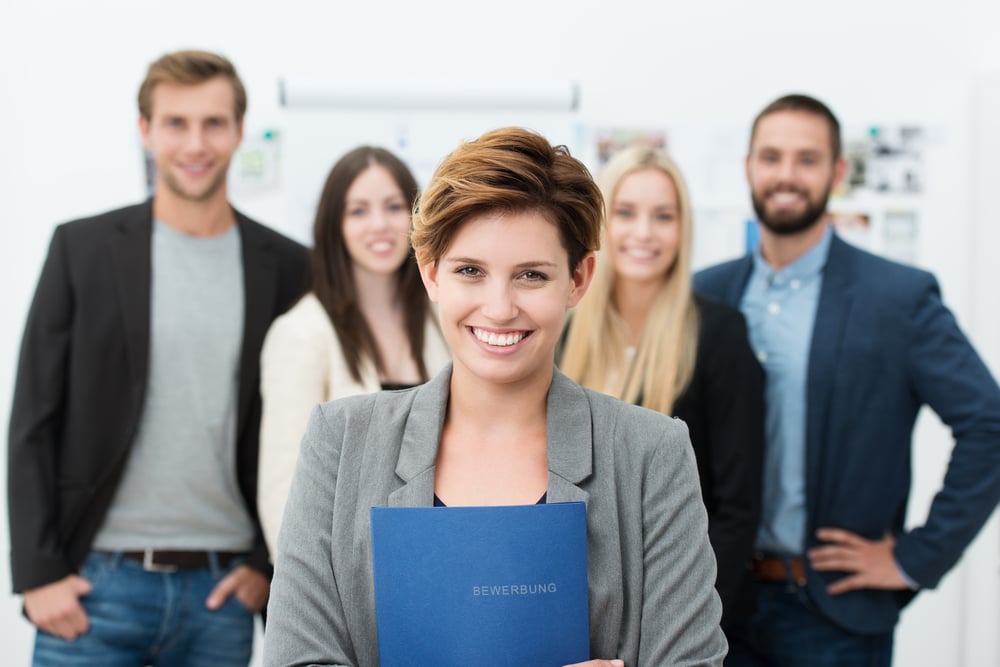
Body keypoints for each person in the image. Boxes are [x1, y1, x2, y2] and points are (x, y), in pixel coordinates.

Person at [262, 127, 728, 666]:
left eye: (531, 275)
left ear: (578, 279)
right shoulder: (341, 442)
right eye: (470, 272)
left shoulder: (652, 453)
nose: (500, 307)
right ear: (431, 272)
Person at [8, 50, 307, 666]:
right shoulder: (81, 250)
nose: (195, 143)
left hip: (220, 598)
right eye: (176, 123)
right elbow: (34, 419)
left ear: (238, 130)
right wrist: (37, 575)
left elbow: (302, 430)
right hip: (96, 587)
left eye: (213, 123)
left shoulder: (287, 265)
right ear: (145, 129)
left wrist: (262, 565)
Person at [695, 93, 1000, 666]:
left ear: (837, 171)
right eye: (771, 157)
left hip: (833, 616)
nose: (786, 175)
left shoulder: (898, 299)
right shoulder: (704, 293)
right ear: (748, 168)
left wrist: (917, 557)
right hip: (715, 605)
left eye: (807, 159)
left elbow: (989, 422)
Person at [560, 145, 764, 628]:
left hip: (680, 609)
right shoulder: (561, 332)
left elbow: (738, 509)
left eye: (664, 216)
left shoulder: (719, 333)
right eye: (626, 213)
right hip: (577, 606)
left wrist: (687, 624)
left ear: (683, 228)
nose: (644, 233)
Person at [257, 146, 450, 555]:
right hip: (348, 573)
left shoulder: (446, 321)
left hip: (444, 556)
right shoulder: (301, 333)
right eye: (358, 211)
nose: (379, 225)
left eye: (394, 206)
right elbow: (282, 490)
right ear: (334, 226)